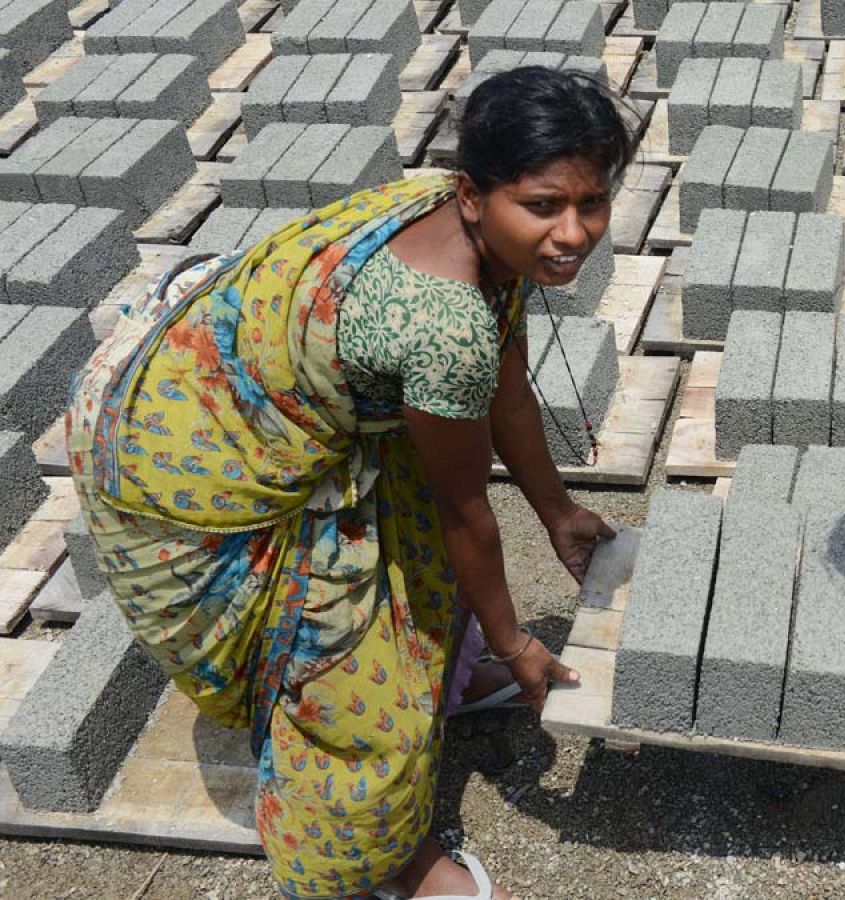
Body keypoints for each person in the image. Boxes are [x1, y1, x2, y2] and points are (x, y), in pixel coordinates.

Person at [65, 66, 635, 900]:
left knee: (411, 532)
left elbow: (505, 375)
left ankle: (445, 677)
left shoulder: (456, 222)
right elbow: (464, 507)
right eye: (543, 206)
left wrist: (556, 509)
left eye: (592, 203)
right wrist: (513, 644)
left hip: (246, 396)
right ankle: (381, 859)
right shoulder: (439, 320)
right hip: (188, 455)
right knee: (347, 646)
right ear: (474, 195)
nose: (573, 232)